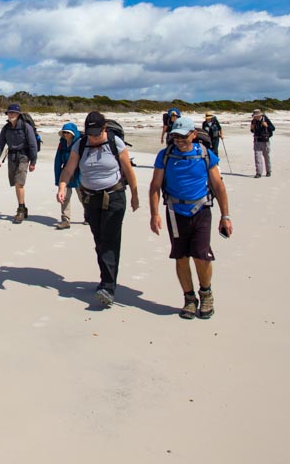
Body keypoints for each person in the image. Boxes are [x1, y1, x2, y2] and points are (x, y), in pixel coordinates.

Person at [149, 116, 232, 319]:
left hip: (201, 211)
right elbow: (155, 186)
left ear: (193, 135)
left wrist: (225, 216)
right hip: (175, 213)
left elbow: (219, 186)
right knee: (181, 256)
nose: (179, 141)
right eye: (175, 137)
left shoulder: (205, 154)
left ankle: (206, 294)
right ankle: (189, 299)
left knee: (201, 257)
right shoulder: (165, 155)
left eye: (183, 137)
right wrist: (154, 214)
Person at [55, 111, 140, 308]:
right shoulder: (81, 144)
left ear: (104, 129)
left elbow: (128, 170)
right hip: (90, 198)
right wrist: (62, 186)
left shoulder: (115, 142)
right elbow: (68, 169)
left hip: (114, 197)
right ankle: (105, 279)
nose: (93, 137)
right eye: (89, 133)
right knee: (99, 240)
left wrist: (135, 195)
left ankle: (108, 288)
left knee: (110, 239)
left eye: (96, 133)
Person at [0, 102, 38, 223]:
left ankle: (21, 210)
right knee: (15, 183)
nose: (11, 114)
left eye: (13, 113)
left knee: (19, 183)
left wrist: (33, 161)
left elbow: (33, 145)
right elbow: (0, 144)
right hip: (12, 157)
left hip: (24, 156)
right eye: (9, 113)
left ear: (18, 114)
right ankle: (23, 207)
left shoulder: (25, 127)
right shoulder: (6, 128)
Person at [52, 122, 83, 230]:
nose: (65, 135)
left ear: (73, 133)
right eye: (64, 132)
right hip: (65, 173)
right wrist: (58, 180)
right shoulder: (62, 144)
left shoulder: (80, 142)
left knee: (83, 197)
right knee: (64, 197)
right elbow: (57, 161)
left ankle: (89, 216)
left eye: (67, 133)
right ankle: (65, 220)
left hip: (80, 174)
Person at [251, 109, 275, 177]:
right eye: (254, 116)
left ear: (260, 115)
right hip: (256, 140)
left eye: (256, 116)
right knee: (257, 157)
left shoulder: (265, 119)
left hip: (265, 141)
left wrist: (266, 126)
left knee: (266, 157)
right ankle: (258, 173)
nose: (255, 117)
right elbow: (253, 131)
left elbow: (273, 128)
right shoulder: (253, 121)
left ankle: (268, 171)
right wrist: (252, 129)